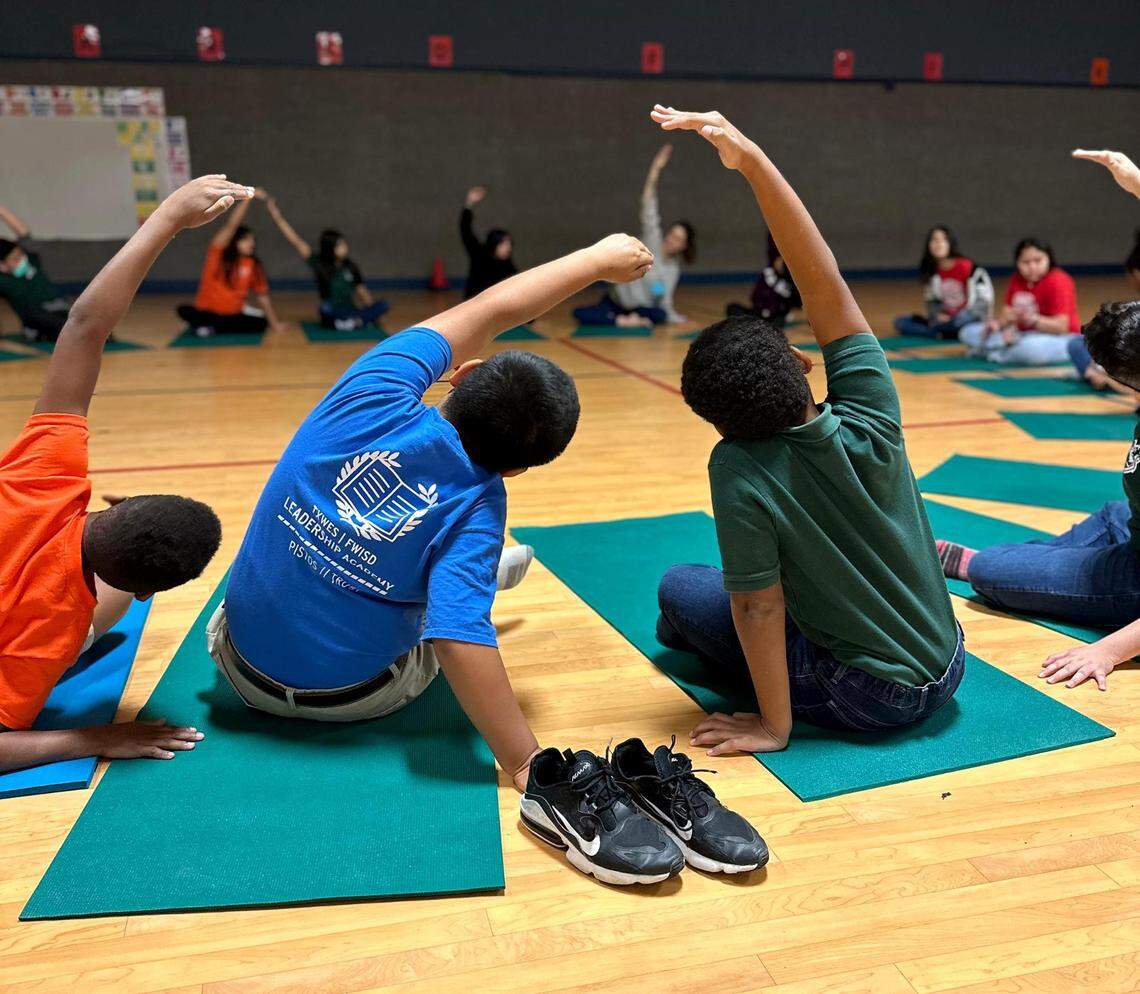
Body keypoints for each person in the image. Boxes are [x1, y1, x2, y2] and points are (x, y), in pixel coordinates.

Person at [209, 231, 653, 791]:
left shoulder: (375, 387)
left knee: (405, 568)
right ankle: (475, 576)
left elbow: (491, 308)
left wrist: (594, 261)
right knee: (447, 604)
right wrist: (521, 760)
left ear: (463, 374)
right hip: (354, 700)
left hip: (236, 666)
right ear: (517, 469)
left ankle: (469, 576)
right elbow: (458, 639)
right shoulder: (482, 507)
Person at [647, 105, 963, 755]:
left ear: (721, 425)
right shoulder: (870, 407)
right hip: (950, 663)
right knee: (711, 602)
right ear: (801, 361)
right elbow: (823, 282)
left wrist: (773, 726)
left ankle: (710, 648)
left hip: (870, 697)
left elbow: (757, 607)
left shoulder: (737, 464)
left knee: (679, 589)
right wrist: (753, 161)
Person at [0, 175, 242, 773]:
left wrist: (166, 218)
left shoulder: (45, 473)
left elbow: (85, 326)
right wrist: (94, 738)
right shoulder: (55, 632)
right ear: (143, 596)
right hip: (56, 626)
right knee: (90, 620)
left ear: (117, 503)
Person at [935, 149, 1140, 694]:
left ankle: (986, 564)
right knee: (1098, 522)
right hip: (1130, 522)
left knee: (993, 575)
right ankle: (1034, 566)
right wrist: (1137, 182)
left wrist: (1108, 649)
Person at [572, 145, 696, 328]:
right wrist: (656, 168)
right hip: (618, 302)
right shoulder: (652, 239)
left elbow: (663, 299)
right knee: (580, 313)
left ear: (684, 246)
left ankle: (628, 320)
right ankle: (621, 321)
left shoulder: (671, 270)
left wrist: (679, 320)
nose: (671, 239)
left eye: (678, 239)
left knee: (659, 314)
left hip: (641, 310)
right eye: (672, 234)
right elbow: (648, 204)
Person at [265, 196, 389, 331]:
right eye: (340, 245)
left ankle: (353, 322)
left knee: (383, 305)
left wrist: (372, 312)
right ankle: (354, 323)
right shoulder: (319, 263)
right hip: (332, 311)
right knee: (325, 311)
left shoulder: (350, 266)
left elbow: (362, 291)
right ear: (331, 248)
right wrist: (277, 217)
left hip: (350, 310)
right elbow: (296, 241)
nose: (345, 247)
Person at [176, 189, 284, 337]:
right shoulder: (218, 254)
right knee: (183, 310)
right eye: (246, 240)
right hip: (208, 312)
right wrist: (248, 198)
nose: (251, 243)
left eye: (252, 240)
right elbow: (231, 225)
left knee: (261, 323)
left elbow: (262, 296)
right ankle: (210, 324)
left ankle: (211, 328)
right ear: (235, 241)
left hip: (232, 315)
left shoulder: (253, 264)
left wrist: (274, 323)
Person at [959, 238, 1079, 364]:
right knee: (967, 332)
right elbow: (1007, 316)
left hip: (1059, 338)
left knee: (1031, 350)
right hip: (1021, 335)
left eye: (1038, 261)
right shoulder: (1016, 280)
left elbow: (1061, 327)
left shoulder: (1059, 280)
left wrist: (1033, 320)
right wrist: (998, 325)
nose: (1032, 267)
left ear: (1049, 259)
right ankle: (1003, 349)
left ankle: (992, 352)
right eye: (1025, 262)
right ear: (1017, 263)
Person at [892, 226, 993, 339]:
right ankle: (943, 333)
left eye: (943, 239)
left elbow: (983, 302)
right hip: (946, 320)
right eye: (934, 240)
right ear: (929, 245)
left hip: (967, 318)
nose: (938, 244)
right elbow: (931, 302)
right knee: (900, 322)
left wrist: (960, 316)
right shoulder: (933, 272)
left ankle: (939, 332)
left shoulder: (970, 268)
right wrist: (938, 315)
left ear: (950, 243)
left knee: (960, 321)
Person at [0, 205, 73, 342]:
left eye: (20, 255)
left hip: (60, 308)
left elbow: (22, 231)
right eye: (15, 259)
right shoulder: (3, 280)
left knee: (85, 317)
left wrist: (2, 210)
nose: (22, 260)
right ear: (3, 266)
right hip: (36, 318)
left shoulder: (32, 260)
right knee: (52, 322)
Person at [725, 232, 801, 327]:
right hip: (758, 313)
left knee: (777, 322)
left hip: (776, 315)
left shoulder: (793, 281)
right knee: (732, 308)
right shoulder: (768, 272)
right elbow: (755, 298)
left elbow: (798, 302)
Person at [460, 186, 517, 299]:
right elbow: (465, 230)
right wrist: (469, 204)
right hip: (474, 304)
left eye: (509, 244)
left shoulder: (508, 264)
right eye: (504, 244)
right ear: (494, 243)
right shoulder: (479, 254)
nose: (508, 248)